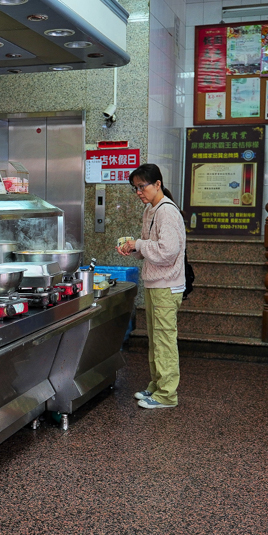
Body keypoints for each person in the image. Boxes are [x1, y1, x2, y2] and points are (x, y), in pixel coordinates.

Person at [117, 164, 186, 410]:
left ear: (157, 184)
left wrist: (139, 244)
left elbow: (167, 252)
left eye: (142, 186)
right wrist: (134, 247)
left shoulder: (167, 212)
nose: (138, 192)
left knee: (164, 339)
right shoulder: (150, 209)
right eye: (135, 187)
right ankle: (157, 385)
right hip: (156, 282)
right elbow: (150, 246)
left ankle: (167, 395)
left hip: (167, 285)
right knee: (156, 339)